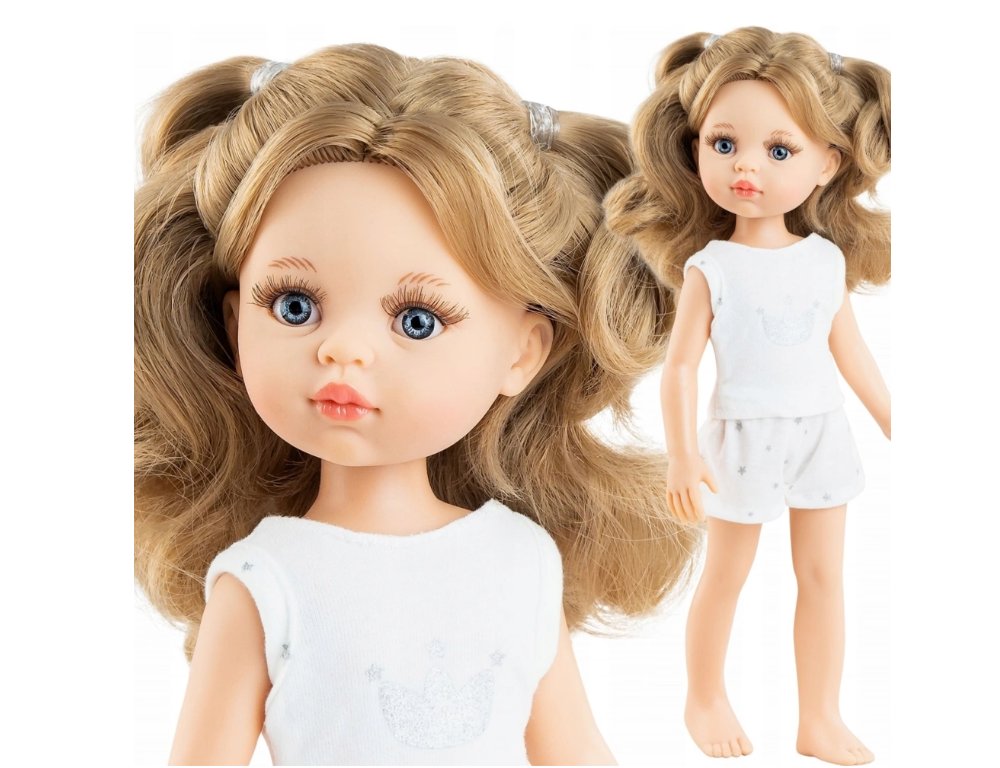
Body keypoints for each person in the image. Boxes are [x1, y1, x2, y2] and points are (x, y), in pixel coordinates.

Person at [135, 44, 698, 765]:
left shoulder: (520, 560)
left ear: (523, 351)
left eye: (417, 320)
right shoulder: (264, 580)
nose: (344, 350)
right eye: (294, 304)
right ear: (235, 326)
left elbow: (577, 750)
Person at [605, 27, 890, 765]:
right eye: (724, 144)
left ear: (828, 164)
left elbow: (851, 352)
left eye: (779, 150)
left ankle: (819, 716)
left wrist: (898, 419)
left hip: (821, 432)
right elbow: (679, 369)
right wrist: (682, 456)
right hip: (742, 438)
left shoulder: (825, 261)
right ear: (696, 147)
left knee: (823, 578)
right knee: (727, 575)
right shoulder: (712, 268)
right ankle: (704, 696)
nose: (746, 167)